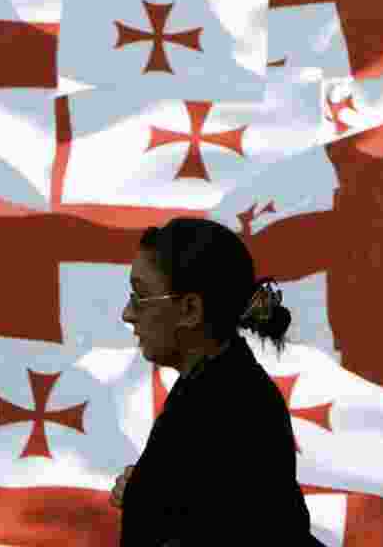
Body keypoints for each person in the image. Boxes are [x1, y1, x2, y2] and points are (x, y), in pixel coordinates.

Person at [111, 217, 324, 546]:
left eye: (141, 297)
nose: (128, 313)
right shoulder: (216, 386)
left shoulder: (229, 407)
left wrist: (148, 499)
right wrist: (148, 493)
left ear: (190, 309)